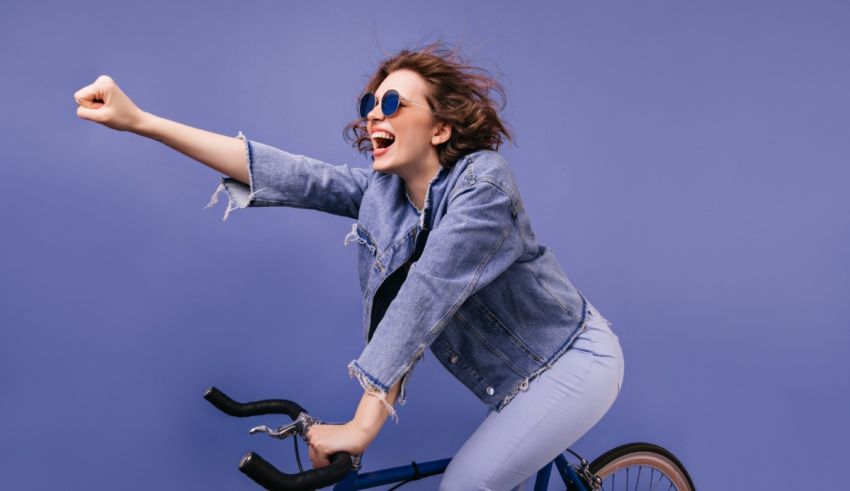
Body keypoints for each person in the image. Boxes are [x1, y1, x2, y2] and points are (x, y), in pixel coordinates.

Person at [74, 41, 625, 491]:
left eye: (393, 105)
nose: (373, 118)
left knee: (466, 488)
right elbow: (288, 173)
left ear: (440, 128)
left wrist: (363, 426)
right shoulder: (382, 194)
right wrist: (141, 121)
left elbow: (428, 290)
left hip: (572, 362)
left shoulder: (484, 185)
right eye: (370, 106)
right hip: (512, 383)